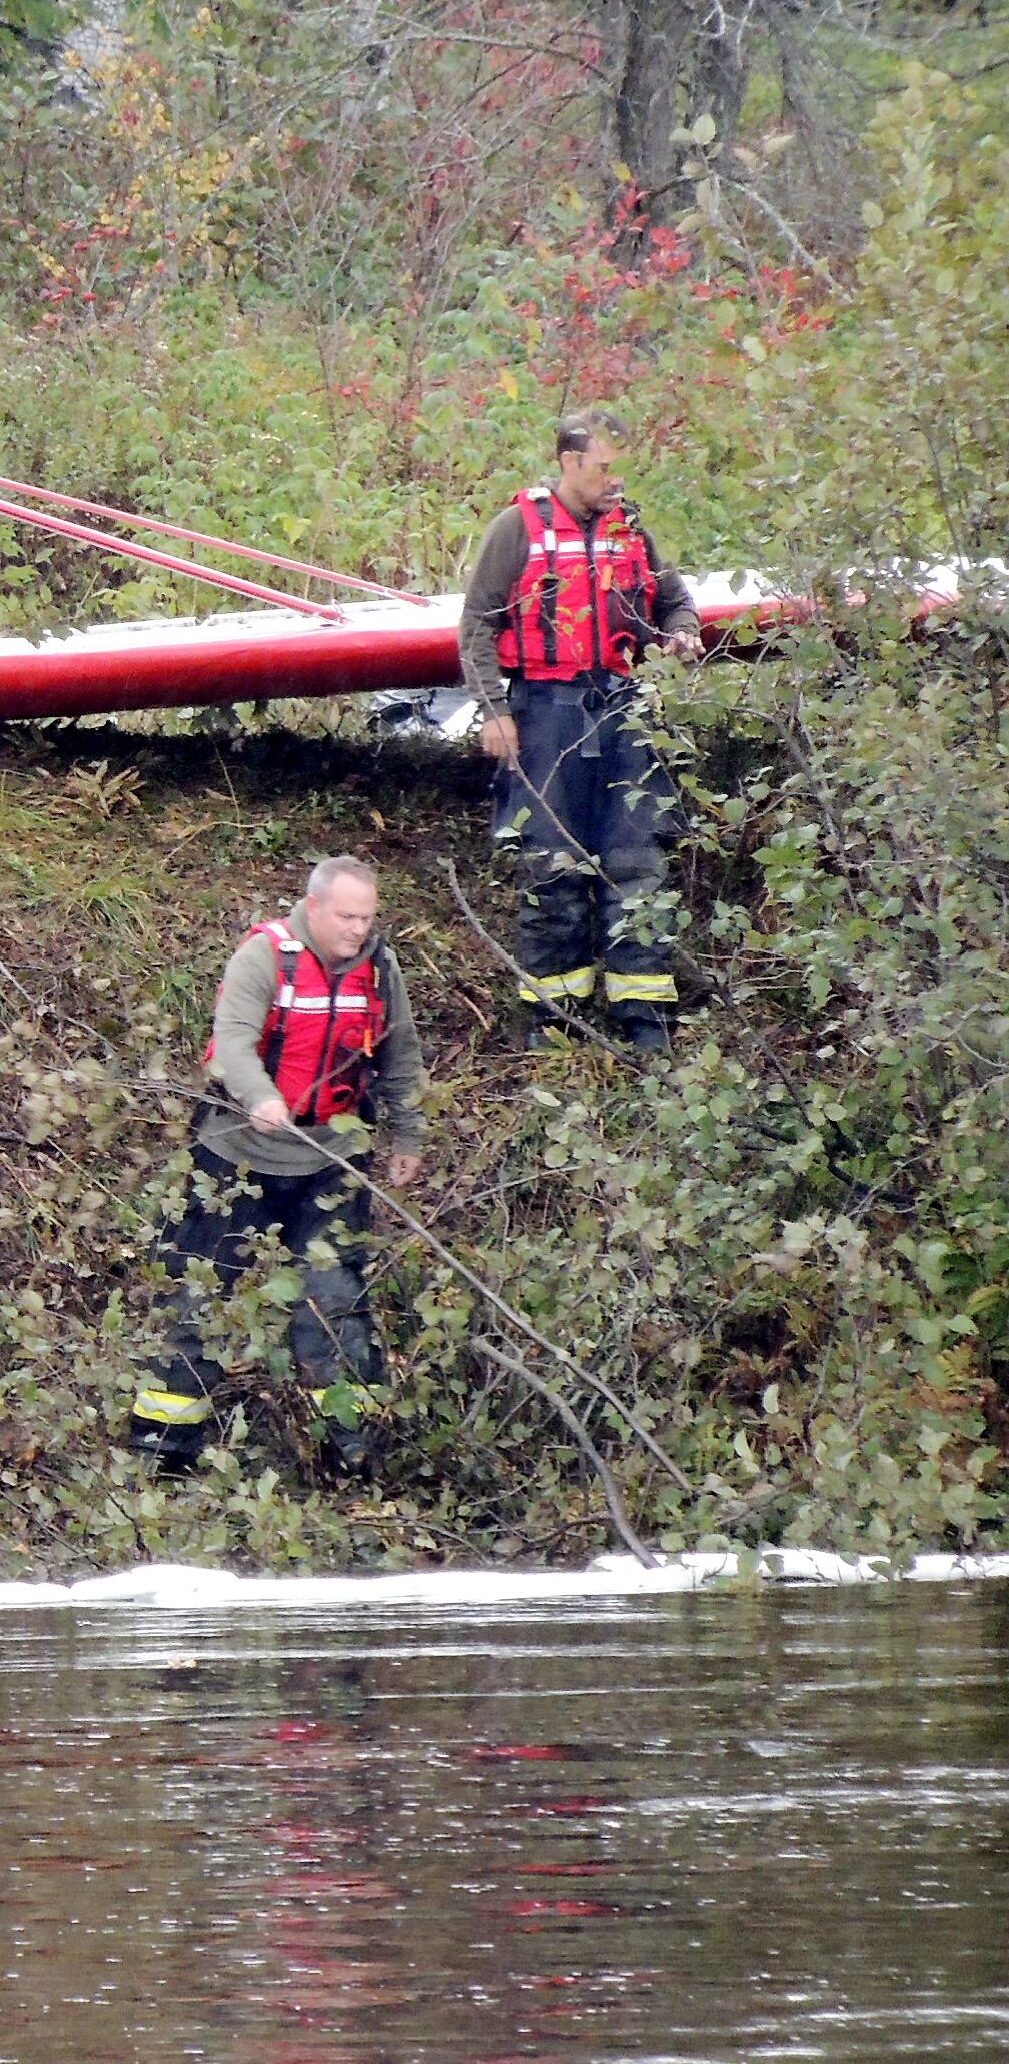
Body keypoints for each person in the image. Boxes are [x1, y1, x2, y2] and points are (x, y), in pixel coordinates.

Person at [131, 858, 425, 1479]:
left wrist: (408, 1134)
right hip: (238, 1157)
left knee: (334, 1303)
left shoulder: (380, 967)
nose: (357, 928)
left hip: (332, 1160)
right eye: (346, 916)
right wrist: (260, 1094)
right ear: (313, 908)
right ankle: (161, 1451)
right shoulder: (265, 957)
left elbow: (400, 1054)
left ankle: (351, 1452)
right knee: (198, 1298)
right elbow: (232, 1041)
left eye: (367, 916)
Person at [459, 408, 704, 1051]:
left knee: (638, 857)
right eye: (603, 467)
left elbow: (675, 598)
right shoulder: (516, 529)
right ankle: (552, 1017)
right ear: (570, 462)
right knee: (550, 862)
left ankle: (643, 1014)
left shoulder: (632, 532)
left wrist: (683, 632)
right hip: (546, 710)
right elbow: (477, 625)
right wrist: (495, 710)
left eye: (620, 467)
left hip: (625, 707)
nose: (613, 480)